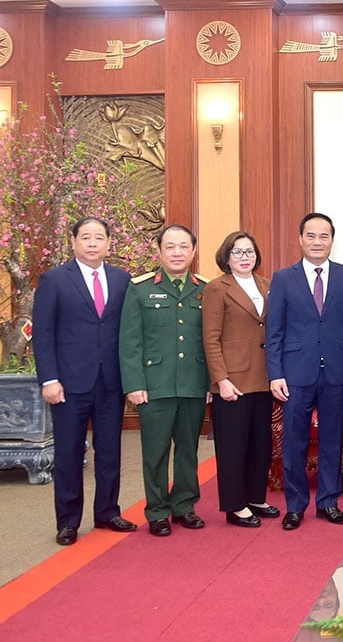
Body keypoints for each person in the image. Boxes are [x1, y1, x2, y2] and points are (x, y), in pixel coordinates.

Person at [33, 216, 136, 546]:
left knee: (110, 452)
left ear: (108, 243)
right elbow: (43, 335)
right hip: (68, 382)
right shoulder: (54, 280)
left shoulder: (123, 280)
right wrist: (49, 379)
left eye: (99, 237)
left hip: (110, 381)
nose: (93, 243)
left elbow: (128, 332)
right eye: (86, 237)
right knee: (68, 453)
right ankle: (68, 521)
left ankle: (107, 511)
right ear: (73, 242)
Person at [266, 212, 343, 530]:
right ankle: (295, 505)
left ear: (332, 240)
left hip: (336, 370)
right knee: (294, 441)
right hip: (295, 373)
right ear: (300, 239)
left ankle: (329, 502)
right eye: (311, 236)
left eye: (324, 236)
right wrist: (275, 373)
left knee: (333, 439)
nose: (317, 242)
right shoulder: (283, 278)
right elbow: (274, 330)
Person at [119, 224, 210, 537]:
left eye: (183, 246)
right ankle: (157, 510)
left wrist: (211, 383)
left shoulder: (204, 288)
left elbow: (209, 341)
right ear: (158, 251)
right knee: (155, 452)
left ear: (193, 251)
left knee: (188, 450)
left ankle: (184, 506)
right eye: (170, 246)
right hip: (153, 385)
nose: (177, 252)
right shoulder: (140, 288)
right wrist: (133, 384)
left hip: (193, 383)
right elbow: (129, 342)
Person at [201, 231, 279, 528]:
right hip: (232, 380)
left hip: (263, 376)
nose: (245, 257)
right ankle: (235, 506)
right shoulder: (216, 288)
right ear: (226, 257)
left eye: (249, 252)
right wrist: (220, 379)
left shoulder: (267, 285)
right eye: (238, 252)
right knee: (232, 446)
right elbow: (210, 339)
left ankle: (256, 498)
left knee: (260, 444)